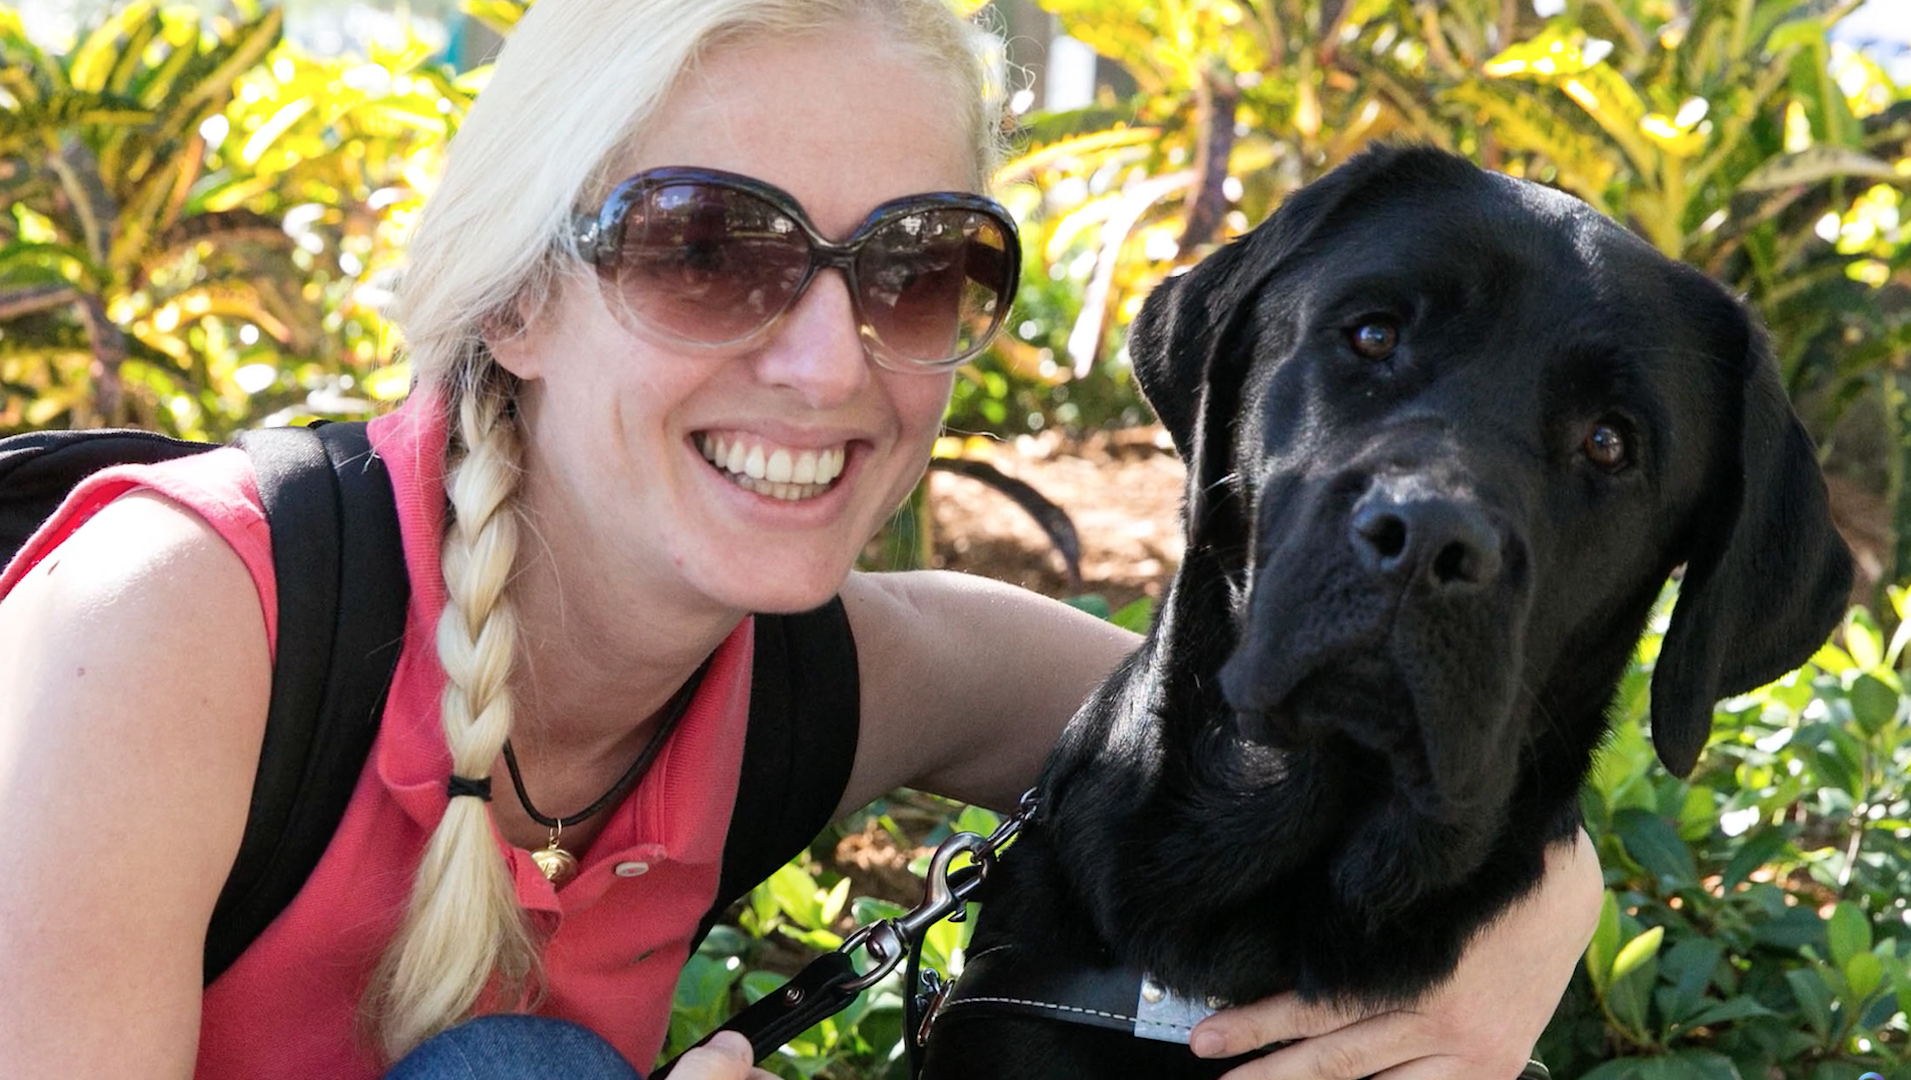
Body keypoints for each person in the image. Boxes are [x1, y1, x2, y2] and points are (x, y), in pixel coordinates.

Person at [0, 1, 1602, 1078]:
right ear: (517, 298)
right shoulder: (165, 634)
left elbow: (1282, 713)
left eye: (914, 270)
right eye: (708, 248)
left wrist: (1535, 919)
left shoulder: (811, 679)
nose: (832, 364)